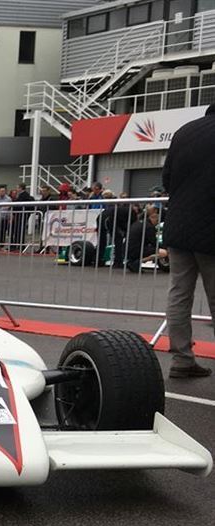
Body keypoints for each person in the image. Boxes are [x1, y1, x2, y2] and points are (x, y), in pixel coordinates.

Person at [163, 102, 215, 379]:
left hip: (179, 227)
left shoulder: (184, 132)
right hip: (210, 228)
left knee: (179, 294)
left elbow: (167, 179)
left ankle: (182, 358)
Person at [120, 205, 166, 274]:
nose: (157, 223)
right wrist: (164, 248)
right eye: (157, 221)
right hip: (135, 250)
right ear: (153, 219)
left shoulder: (139, 222)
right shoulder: (149, 227)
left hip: (126, 249)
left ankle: (132, 261)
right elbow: (154, 242)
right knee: (163, 252)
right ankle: (136, 262)